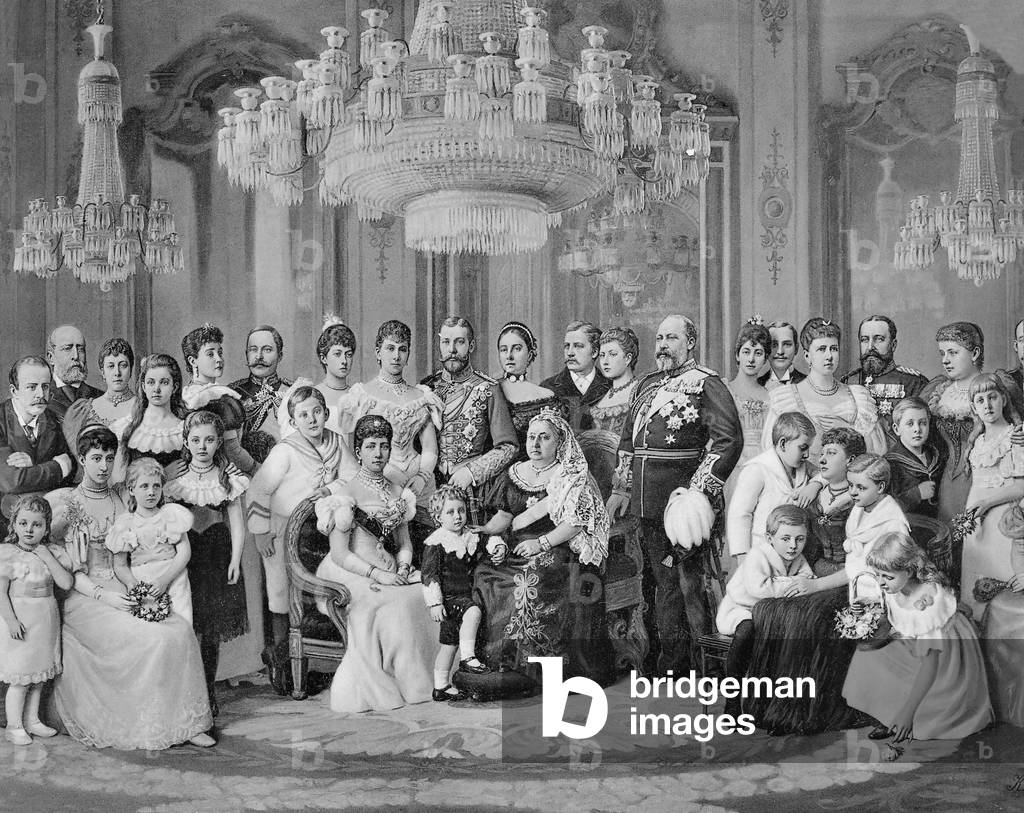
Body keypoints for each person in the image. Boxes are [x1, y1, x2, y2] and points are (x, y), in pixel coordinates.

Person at [49, 425, 214, 749]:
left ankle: (185, 723)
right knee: (152, 637)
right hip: (86, 597)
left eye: (109, 458)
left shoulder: (124, 498)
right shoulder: (67, 502)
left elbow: (132, 553)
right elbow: (58, 562)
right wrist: (103, 595)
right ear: (82, 459)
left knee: (179, 631)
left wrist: (137, 588)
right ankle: (149, 724)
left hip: (125, 585)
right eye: (96, 458)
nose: (103, 466)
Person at [607, 314, 743, 674]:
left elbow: (729, 442)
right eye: (659, 338)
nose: (662, 345)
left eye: (671, 338)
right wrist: (622, 488)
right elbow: (627, 441)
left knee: (691, 586)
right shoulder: (646, 385)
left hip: (684, 508)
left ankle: (706, 667)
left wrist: (696, 494)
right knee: (661, 585)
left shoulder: (707, 384)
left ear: (690, 343)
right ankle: (670, 663)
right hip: (646, 504)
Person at [742, 428, 868, 736]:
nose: (820, 458)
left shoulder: (861, 499)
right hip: (815, 570)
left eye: (831, 453)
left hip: (847, 579)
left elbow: (860, 564)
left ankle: (799, 713)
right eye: (820, 452)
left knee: (805, 616)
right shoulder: (813, 492)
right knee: (771, 610)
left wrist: (812, 585)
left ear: (850, 460)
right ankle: (767, 709)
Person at [472, 411, 610, 685]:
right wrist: (492, 536)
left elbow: (575, 523)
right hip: (517, 544)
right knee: (486, 573)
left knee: (528, 579)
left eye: (544, 438)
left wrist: (540, 543)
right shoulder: (514, 473)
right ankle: (500, 661)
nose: (535, 443)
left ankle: (533, 668)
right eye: (531, 437)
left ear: (559, 443)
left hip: (556, 545)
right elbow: (505, 516)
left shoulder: (571, 476)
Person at [313, 415, 436, 712]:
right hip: (351, 573)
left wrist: (404, 567)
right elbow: (341, 554)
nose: (378, 453)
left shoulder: (397, 491)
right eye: (371, 446)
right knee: (394, 606)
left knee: (423, 597)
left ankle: (421, 684)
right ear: (359, 452)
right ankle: (388, 687)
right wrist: (376, 573)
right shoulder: (346, 493)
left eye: (383, 446)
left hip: (391, 571)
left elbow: (404, 544)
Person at [843, 533, 992, 742]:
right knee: (867, 655)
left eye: (887, 577)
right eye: (877, 575)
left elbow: (930, 665)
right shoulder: (896, 585)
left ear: (910, 571)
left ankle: (903, 717)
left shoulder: (926, 604)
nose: (881, 583)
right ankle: (887, 717)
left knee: (922, 700)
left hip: (944, 659)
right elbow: (893, 615)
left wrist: (908, 714)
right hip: (915, 642)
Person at [248, 386, 354, 666]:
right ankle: (283, 655)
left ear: (326, 413)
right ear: (293, 422)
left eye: (317, 412)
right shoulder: (286, 450)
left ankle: (328, 651)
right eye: (303, 415)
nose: (312, 419)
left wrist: (330, 489)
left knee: (327, 581)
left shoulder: (337, 442)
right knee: (280, 588)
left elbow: (353, 478)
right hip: (283, 528)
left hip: (320, 527)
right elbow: (258, 489)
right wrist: (260, 532)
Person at [164, 411, 251, 716]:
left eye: (209, 440)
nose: (202, 446)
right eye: (196, 440)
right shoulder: (176, 483)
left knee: (211, 630)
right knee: (188, 625)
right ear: (186, 442)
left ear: (218, 443)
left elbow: (238, 524)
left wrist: (236, 560)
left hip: (216, 556)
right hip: (187, 559)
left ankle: (208, 691)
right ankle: (186, 691)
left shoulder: (229, 479)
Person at [716, 505, 815, 717]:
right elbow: (759, 588)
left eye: (800, 539)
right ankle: (732, 703)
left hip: (771, 615)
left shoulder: (799, 558)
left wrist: (789, 583)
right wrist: (792, 583)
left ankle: (771, 706)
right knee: (746, 633)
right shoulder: (758, 555)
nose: (793, 546)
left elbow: (809, 581)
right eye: (786, 538)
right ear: (770, 538)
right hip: (742, 609)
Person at [421, 316, 518, 524]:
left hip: (471, 492)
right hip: (430, 490)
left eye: (460, 342)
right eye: (446, 342)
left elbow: (508, 446)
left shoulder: (488, 389)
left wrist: (471, 472)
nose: (452, 350)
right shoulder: (426, 388)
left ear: (471, 345)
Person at [336, 320, 442, 505]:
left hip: (419, 482)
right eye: (390, 348)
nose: (396, 356)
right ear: (378, 353)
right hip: (379, 478)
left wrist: (422, 477)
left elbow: (430, 448)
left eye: (402, 349)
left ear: (408, 354)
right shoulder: (362, 395)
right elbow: (351, 449)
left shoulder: (421, 396)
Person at [0, 495, 74, 746]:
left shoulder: (51, 552)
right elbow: (0, 592)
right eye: (23, 523)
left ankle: (32, 720)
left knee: (39, 677)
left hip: (46, 619)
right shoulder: (8, 554)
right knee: (21, 677)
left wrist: (46, 556)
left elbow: (65, 583)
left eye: (36, 525)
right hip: (21, 619)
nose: (29, 530)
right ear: (14, 525)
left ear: (46, 527)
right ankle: (14, 725)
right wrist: (10, 620)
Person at [761, 318, 886, 460]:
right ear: (807, 356)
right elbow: (771, 453)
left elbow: (877, 452)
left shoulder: (859, 397)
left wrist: (849, 430)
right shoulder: (785, 399)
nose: (829, 356)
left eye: (834, 349)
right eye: (821, 349)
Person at [421, 485, 495, 701]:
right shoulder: (436, 542)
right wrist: (435, 603)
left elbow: (488, 542)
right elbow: (429, 575)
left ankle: (441, 686)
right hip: (450, 599)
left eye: (461, 510)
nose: (457, 517)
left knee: (449, 644)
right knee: (472, 613)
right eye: (450, 512)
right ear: (438, 517)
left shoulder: (470, 535)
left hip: (465, 594)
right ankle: (468, 657)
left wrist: (497, 547)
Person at [960, 373, 1024, 621]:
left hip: (1003, 520)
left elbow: (1021, 487)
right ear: (973, 407)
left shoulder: (1015, 437)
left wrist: (987, 503)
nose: (987, 405)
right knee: (976, 578)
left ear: (1004, 399)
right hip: (977, 523)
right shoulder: (977, 442)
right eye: (980, 400)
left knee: (1002, 576)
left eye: (992, 397)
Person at [106, 457, 194, 623]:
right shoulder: (125, 523)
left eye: (156, 486)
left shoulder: (171, 515)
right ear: (131, 489)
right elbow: (120, 565)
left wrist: (164, 580)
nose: (151, 492)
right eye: (144, 486)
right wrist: (133, 584)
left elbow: (184, 553)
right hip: (142, 580)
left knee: (180, 625)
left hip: (173, 578)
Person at [921, 322, 987, 524]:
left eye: (953, 352)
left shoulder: (990, 389)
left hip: (983, 477)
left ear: (974, 353)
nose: (945, 360)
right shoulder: (939, 391)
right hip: (947, 481)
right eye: (942, 353)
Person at [726, 411, 815, 559]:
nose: (807, 455)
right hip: (762, 553)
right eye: (803, 447)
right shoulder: (757, 469)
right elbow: (740, 514)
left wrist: (815, 485)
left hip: (795, 553)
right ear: (783, 444)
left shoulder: (804, 467)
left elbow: (825, 475)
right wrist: (742, 555)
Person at [0, 357, 75, 528]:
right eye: (32, 387)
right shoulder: (1, 421)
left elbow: (72, 467)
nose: (41, 395)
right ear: (14, 391)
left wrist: (32, 466)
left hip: (44, 516)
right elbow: (12, 481)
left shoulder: (53, 420)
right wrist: (57, 467)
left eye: (45, 386)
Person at [181, 324, 256, 476]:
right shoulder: (218, 399)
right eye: (210, 354)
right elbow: (234, 451)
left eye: (220, 353)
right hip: (224, 475)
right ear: (193, 361)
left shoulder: (186, 395)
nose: (218, 359)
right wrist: (257, 470)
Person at [841, 315, 928, 440]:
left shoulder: (914, 382)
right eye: (865, 340)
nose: (870, 347)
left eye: (879, 339)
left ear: (893, 345)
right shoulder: (848, 381)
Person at [495, 321, 570, 457]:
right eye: (504, 349)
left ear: (529, 354)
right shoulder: (490, 390)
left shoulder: (548, 396)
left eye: (517, 349)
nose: (509, 356)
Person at [581, 326, 640, 499]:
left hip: (628, 483)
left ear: (628, 358)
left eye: (612, 355)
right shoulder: (598, 396)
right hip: (596, 479)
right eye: (602, 355)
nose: (605, 361)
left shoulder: (639, 393)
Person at [843, 454, 911, 603]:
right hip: (856, 589)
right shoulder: (858, 510)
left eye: (861, 487)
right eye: (850, 485)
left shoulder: (893, 524)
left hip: (881, 597)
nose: (853, 492)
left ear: (880, 487)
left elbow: (896, 575)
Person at [230, 325, 293, 465]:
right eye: (253, 350)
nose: (259, 356)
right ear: (247, 354)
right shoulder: (232, 394)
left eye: (267, 350)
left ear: (280, 355)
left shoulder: (293, 393)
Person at [725, 319, 772, 501]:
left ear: (766, 358)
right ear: (737, 355)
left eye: (758, 353)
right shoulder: (725, 389)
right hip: (733, 462)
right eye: (746, 352)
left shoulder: (772, 394)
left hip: (764, 464)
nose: (751, 359)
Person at [62, 337, 137, 448]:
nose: (117, 372)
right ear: (103, 372)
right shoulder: (82, 411)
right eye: (111, 366)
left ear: (131, 370)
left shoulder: (143, 408)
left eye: (123, 365)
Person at [119, 353, 188, 473]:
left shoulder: (183, 429)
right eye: (151, 382)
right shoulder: (127, 426)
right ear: (144, 386)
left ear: (175, 387)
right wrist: (164, 474)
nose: (157, 389)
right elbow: (119, 481)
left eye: (164, 382)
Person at [540, 320, 611, 430]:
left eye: (578, 346)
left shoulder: (611, 387)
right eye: (567, 346)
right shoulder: (548, 388)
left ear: (594, 352)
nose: (570, 353)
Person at [885, 397, 945, 520]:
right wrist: (916, 494)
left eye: (923, 423)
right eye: (910, 424)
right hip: (907, 527)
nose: (917, 429)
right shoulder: (889, 464)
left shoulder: (936, 456)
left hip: (937, 524)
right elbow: (883, 507)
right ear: (897, 429)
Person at [45, 325, 103, 423]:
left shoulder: (100, 398)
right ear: (51, 357)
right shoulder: (40, 398)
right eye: (67, 348)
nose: (76, 356)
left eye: (80, 349)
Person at [314, 316, 357, 433]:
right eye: (337, 354)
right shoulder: (313, 395)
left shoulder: (358, 395)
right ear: (324, 358)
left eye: (348, 354)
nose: (344, 360)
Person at [757, 321, 805, 391]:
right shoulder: (757, 384)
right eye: (773, 345)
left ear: (796, 349)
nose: (780, 352)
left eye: (787, 344)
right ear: (765, 349)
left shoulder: (807, 383)